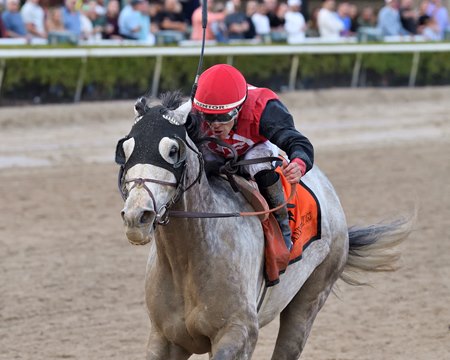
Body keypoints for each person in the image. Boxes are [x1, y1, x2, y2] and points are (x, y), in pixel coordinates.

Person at [191, 64, 314, 251]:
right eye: (208, 116)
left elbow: (297, 141)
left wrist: (299, 163)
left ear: (238, 109)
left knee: (262, 169)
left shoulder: (265, 109)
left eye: (223, 116)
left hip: (254, 148)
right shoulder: (192, 111)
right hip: (212, 151)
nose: (215, 124)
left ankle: (282, 227)